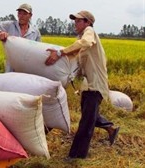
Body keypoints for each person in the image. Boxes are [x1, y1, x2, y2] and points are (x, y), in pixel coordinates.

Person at [45, 10, 120, 159]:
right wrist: (59, 56)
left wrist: (60, 53)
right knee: (89, 115)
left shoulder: (89, 32)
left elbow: (84, 42)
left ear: (88, 22)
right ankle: (111, 129)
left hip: (96, 86)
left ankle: (77, 156)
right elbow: (75, 54)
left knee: (86, 123)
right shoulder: (82, 39)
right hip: (87, 86)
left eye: (78, 20)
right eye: (75, 21)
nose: (75, 23)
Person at [0, 3, 41, 72]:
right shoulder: (9, 25)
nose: (21, 16)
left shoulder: (35, 32)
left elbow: (38, 51)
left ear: (30, 15)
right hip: (11, 68)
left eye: (24, 14)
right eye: (19, 13)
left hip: (27, 70)